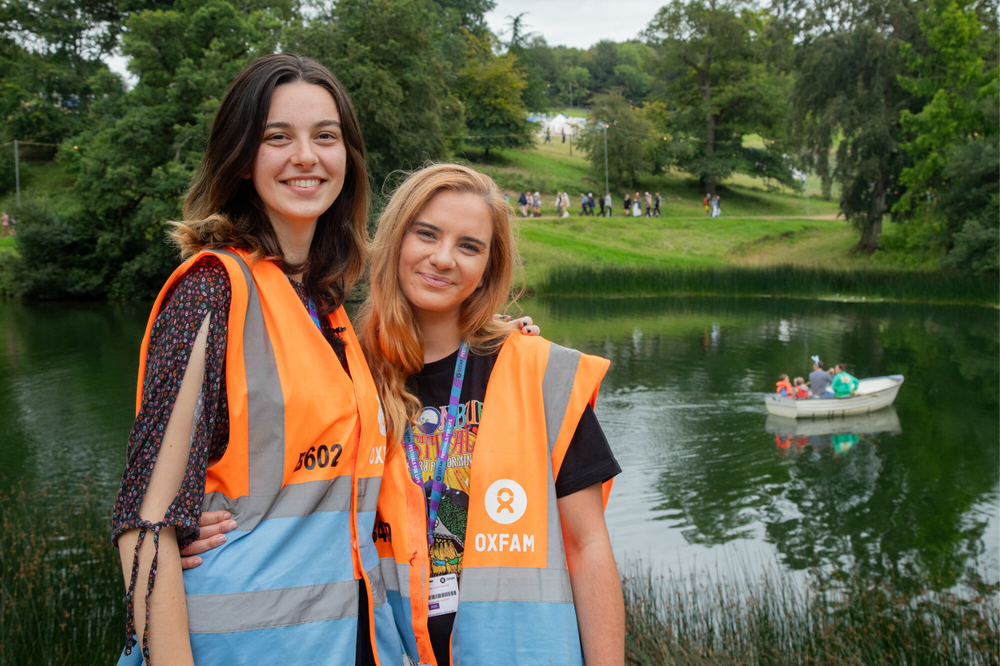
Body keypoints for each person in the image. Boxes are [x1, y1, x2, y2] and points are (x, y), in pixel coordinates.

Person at [111, 53, 407, 665]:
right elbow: (144, 524)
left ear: (346, 157)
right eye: (279, 138)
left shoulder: (324, 306)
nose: (307, 156)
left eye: (326, 136)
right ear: (244, 159)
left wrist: (488, 329)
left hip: (347, 642)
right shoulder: (211, 290)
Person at [358, 164, 624, 666]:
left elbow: (587, 546)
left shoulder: (539, 370)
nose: (443, 259)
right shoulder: (350, 374)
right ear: (396, 238)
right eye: (427, 234)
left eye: (469, 246)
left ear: (488, 265)